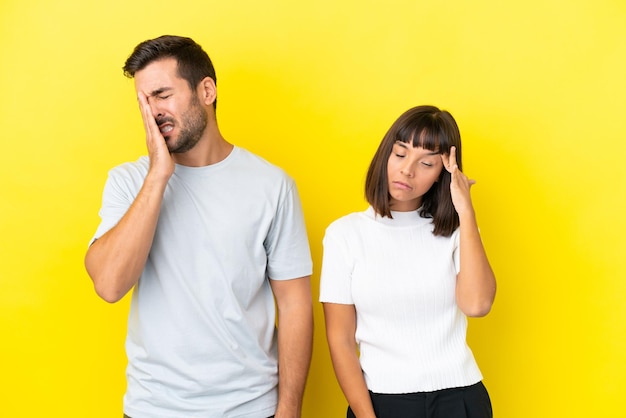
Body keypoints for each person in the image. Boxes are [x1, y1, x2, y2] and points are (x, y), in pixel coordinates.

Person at [85, 35, 313, 418]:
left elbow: (294, 304)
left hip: (249, 407)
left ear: (206, 90)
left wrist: (289, 408)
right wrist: (158, 175)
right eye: (144, 101)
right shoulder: (129, 182)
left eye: (162, 94)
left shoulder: (272, 186)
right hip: (153, 408)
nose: (153, 111)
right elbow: (108, 285)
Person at [319, 105, 496, 418]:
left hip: (460, 398)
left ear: (443, 173)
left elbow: (478, 304)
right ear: (386, 154)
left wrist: (466, 212)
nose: (407, 170)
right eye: (400, 154)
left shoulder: (458, 231)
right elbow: (340, 339)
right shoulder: (344, 235)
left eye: (426, 162)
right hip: (382, 402)